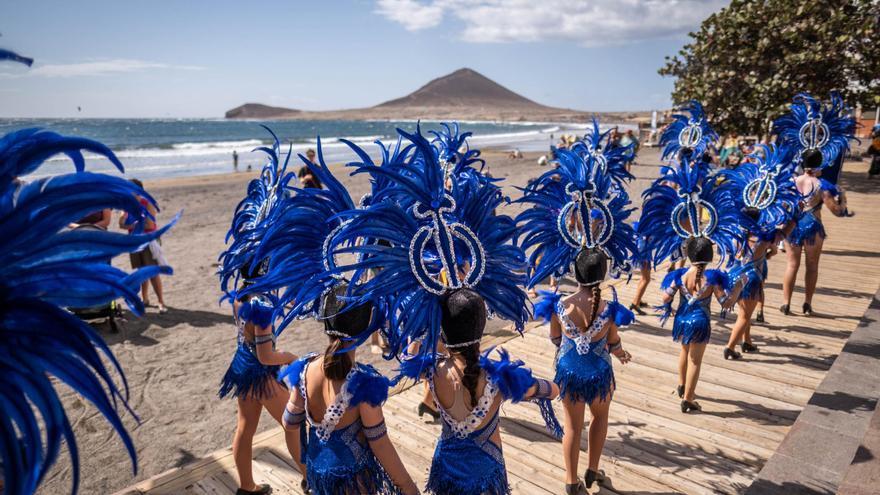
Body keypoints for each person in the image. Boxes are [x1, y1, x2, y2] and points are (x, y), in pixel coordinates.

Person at [401, 289, 559, 495]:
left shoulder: (431, 371)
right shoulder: (500, 378)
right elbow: (552, 391)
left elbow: (407, 360)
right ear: (481, 327)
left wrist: (420, 331)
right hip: (485, 473)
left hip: (446, 466)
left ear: (443, 329)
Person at [217, 132, 305, 495]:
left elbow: (251, 342)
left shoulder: (240, 297)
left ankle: (247, 486)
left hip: (241, 363)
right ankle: (313, 477)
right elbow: (268, 353)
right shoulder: (263, 306)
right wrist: (293, 358)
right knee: (293, 424)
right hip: (260, 371)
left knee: (245, 428)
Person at [281, 286, 418, 495]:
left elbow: (289, 424)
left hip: (319, 477)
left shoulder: (304, 368)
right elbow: (380, 443)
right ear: (363, 329)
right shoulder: (363, 383)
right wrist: (408, 486)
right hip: (355, 484)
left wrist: (306, 469)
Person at [536, 249, 633, 493]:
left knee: (572, 427)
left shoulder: (559, 305)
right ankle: (592, 469)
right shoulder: (609, 308)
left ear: (575, 272)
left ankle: (570, 481)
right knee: (600, 418)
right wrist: (621, 354)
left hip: (569, 374)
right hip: (599, 374)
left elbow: (555, 338)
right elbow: (613, 342)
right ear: (603, 273)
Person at [774, 93, 856, 316]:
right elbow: (836, 211)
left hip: (792, 226)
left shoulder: (792, 182)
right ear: (819, 165)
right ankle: (807, 304)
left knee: (791, 265)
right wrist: (843, 201)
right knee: (812, 266)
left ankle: (785, 303)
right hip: (813, 227)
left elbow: (783, 206)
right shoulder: (822, 184)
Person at [721, 144, 800, 355]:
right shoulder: (766, 235)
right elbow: (783, 234)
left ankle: (747, 341)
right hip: (751, 277)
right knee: (745, 315)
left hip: (732, 274)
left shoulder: (736, 230)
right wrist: (794, 215)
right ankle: (730, 348)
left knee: (743, 310)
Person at [658, 237, 733, 407]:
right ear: (709, 256)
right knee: (695, 361)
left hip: (682, 320)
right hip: (700, 322)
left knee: (684, 351)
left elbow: (665, 297)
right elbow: (725, 303)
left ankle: (682, 385)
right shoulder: (712, 279)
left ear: (690, 255)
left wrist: (670, 309)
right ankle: (688, 399)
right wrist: (737, 290)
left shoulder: (680, 275)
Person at [120, 178, 168, 314]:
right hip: (135, 241)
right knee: (141, 271)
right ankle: (144, 298)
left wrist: (130, 224)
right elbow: (120, 223)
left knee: (152, 272)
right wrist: (133, 224)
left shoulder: (147, 203)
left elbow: (150, 225)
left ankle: (160, 301)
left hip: (149, 240)